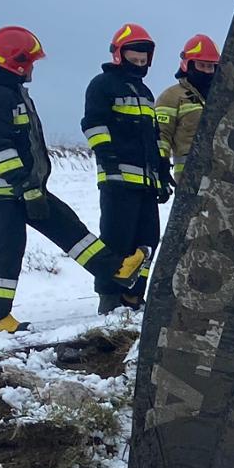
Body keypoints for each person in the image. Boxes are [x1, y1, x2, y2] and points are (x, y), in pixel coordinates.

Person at [0, 26, 146, 333]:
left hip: (20, 184)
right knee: (9, 242)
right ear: (14, 61)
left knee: (66, 225)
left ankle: (118, 269)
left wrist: (29, 185)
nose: (32, 67)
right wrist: (25, 185)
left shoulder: (7, 89)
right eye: (29, 61)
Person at [81, 23, 174, 314]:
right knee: (116, 240)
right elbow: (93, 124)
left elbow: (154, 136)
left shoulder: (145, 93)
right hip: (117, 179)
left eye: (144, 59)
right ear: (119, 54)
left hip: (146, 182)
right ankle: (109, 298)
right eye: (134, 58)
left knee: (149, 239)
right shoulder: (102, 85)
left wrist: (161, 171)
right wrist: (107, 157)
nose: (140, 63)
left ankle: (135, 295)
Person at [156, 34, 221, 181]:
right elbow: (161, 135)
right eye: (201, 65)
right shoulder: (171, 97)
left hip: (223, 177)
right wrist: (161, 167)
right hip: (190, 179)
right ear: (188, 65)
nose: (206, 71)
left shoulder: (223, 97)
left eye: (210, 66)